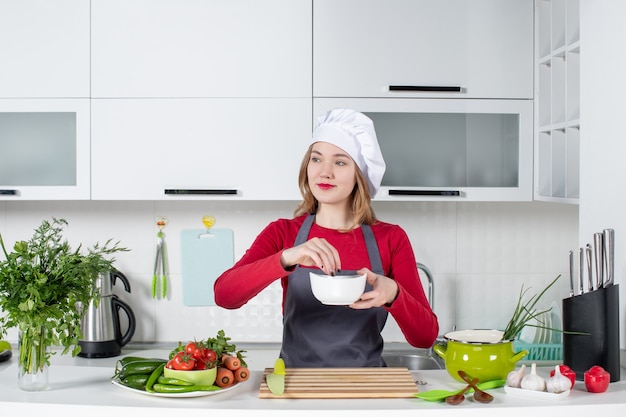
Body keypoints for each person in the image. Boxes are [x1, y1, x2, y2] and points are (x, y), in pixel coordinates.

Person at [214, 108, 438, 367]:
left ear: (360, 175)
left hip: (367, 387)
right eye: (316, 159)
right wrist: (287, 257)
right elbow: (224, 295)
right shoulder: (282, 233)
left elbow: (425, 337)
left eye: (340, 162)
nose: (324, 172)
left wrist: (395, 294)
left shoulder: (391, 238)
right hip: (296, 386)